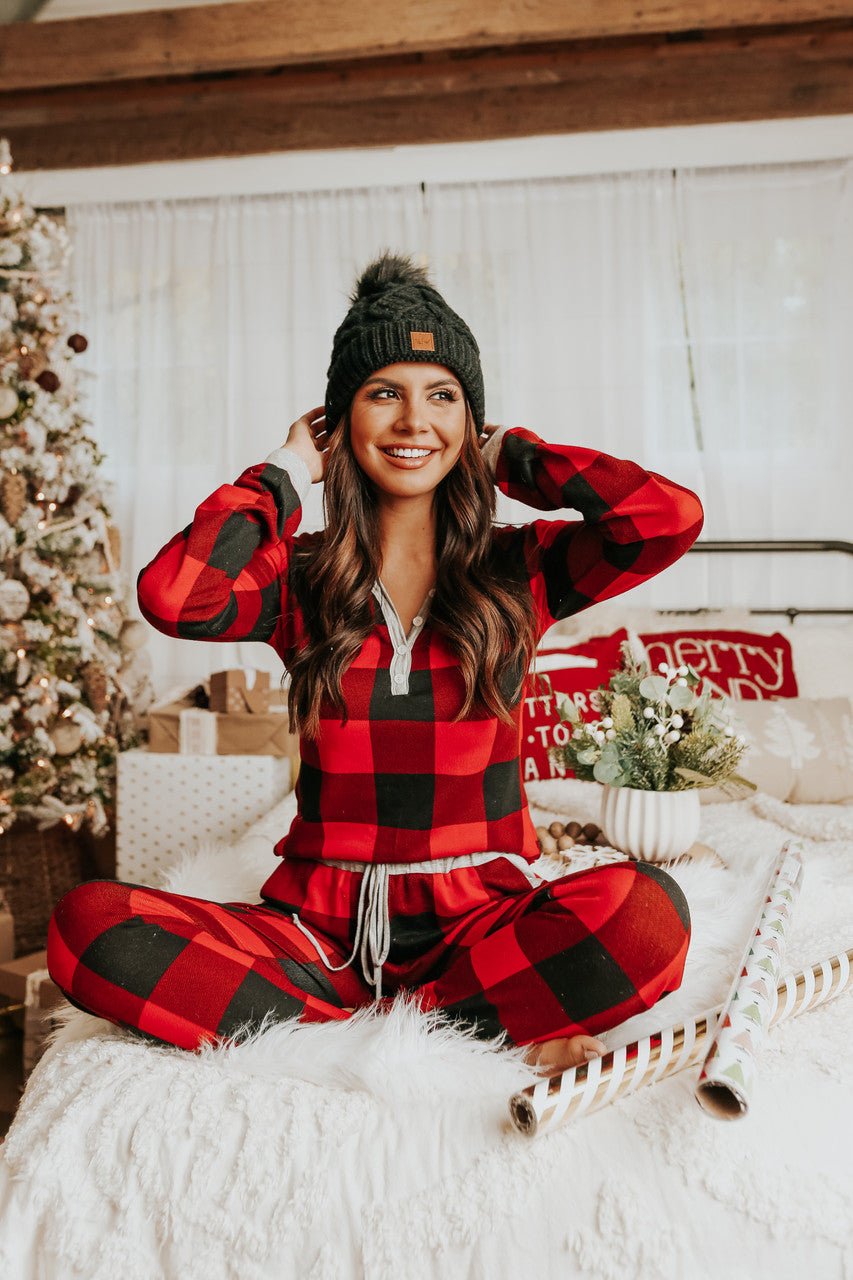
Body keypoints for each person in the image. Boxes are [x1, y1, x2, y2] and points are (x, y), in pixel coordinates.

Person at [47, 252, 704, 1077]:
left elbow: (665, 519)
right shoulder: (300, 578)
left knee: (646, 916)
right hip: (319, 937)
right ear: (340, 421)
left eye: (442, 397)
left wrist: (512, 457)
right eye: (383, 393)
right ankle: (472, 1024)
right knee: (86, 928)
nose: (412, 421)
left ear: (470, 420)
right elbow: (175, 596)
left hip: (482, 928)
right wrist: (282, 474)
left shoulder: (520, 569)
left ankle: (401, 1026)